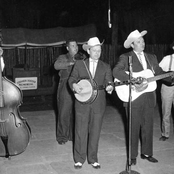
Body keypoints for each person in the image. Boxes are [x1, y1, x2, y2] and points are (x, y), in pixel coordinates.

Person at [113, 30, 173, 166]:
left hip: (149, 96)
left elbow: (158, 72)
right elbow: (116, 71)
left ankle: (147, 153)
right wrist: (133, 79)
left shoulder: (151, 57)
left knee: (148, 126)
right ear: (132, 45)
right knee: (133, 127)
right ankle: (132, 156)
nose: (143, 44)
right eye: (139, 42)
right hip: (134, 96)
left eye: (143, 41)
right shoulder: (125, 57)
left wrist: (170, 77)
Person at [68, 37, 114, 169]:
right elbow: (71, 79)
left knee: (95, 131)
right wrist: (74, 86)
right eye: (94, 51)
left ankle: (93, 158)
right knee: (80, 130)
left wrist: (110, 87)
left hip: (98, 103)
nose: (97, 53)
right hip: (82, 102)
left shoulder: (105, 66)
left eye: (99, 51)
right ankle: (79, 159)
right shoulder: (79, 64)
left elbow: (109, 81)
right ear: (89, 51)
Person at [54, 39, 83, 145]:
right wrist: (72, 63)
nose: (75, 47)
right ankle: (62, 137)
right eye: (72, 46)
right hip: (65, 87)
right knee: (64, 112)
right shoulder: (63, 57)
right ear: (67, 48)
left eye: (76, 45)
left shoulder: (81, 57)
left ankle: (72, 135)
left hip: (79, 86)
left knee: (77, 112)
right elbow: (56, 65)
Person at [159, 44, 174, 141]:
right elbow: (157, 72)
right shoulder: (167, 59)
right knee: (166, 111)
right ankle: (165, 133)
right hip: (167, 87)